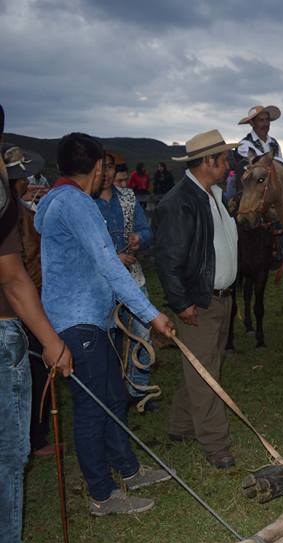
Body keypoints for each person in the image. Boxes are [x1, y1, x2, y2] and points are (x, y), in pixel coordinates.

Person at [34, 132, 175, 513]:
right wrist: (152, 314)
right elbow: (109, 264)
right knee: (93, 406)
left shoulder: (56, 200)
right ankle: (101, 494)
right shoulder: (78, 204)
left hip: (88, 320)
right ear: (97, 167)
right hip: (78, 322)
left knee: (112, 396)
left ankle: (127, 470)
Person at [0, 122, 80, 543]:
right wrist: (50, 340)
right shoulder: (7, 205)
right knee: (10, 454)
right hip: (5, 327)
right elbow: (12, 277)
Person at [154, 130, 239, 469]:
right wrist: (181, 303)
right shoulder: (178, 202)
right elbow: (167, 258)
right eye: (223, 158)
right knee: (207, 375)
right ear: (208, 162)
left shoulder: (213, 194)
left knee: (204, 365)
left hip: (220, 298)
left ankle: (180, 425)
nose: (228, 163)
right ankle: (216, 445)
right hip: (199, 302)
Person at [95, 151, 157, 411]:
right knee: (107, 335)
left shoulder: (129, 198)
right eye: (102, 168)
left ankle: (137, 389)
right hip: (99, 282)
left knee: (142, 331)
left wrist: (139, 239)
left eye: (111, 168)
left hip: (133, 277)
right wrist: (113, 258)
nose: (107, 173)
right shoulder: (86, 202)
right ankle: (111, 394)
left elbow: (146, 230)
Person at [3, 144, 54, 456]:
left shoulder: (19, 211)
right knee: (34, 371)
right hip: (25, 302)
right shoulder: (16, 216)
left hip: (24, 300)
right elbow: (22, 266)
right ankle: (36, 439)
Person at [235, 104, 283, 173]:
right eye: (261, 120)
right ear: (252, 123)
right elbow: (261, 159)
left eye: (267, 120)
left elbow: (280, 166)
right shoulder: (244, 144)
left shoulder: (274, 142)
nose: (265, 124)